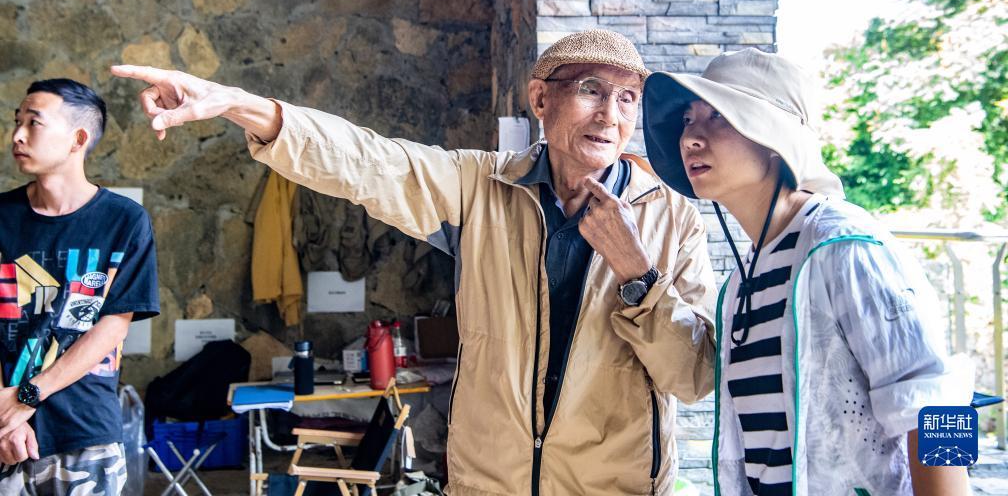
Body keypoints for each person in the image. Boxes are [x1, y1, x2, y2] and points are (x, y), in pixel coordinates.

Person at [113, 28, 717, 495]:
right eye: (590, 89)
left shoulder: (674, 221)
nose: (610, 114)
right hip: (489, 484)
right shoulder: (480, 187)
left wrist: (639, 276)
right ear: (540, 98)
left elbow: (692, 377)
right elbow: (367, 162)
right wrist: (237, 105)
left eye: (627, 98)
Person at [641, 48, 973, 496]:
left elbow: (940, 405)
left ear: (774, 138)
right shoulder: (740, 282)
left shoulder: (846, 246)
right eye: (687, 120)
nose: (690, 138)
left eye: (717, 115)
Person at [0, 79, 160, 496]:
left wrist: (27, 396)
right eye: (17, 121)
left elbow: (112, 327)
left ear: (78, 139)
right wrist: (4, 415)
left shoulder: (124, 221)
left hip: (84, 429)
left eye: (34, 123)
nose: (17, 135)